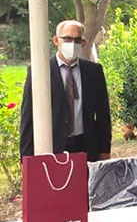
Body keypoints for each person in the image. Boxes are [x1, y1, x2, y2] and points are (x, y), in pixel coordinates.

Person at [20, 20, 112, 161]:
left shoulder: (93, 71)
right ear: (56, 40)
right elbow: (28, 116)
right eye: (67, 39)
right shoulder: (40, 71)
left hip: (86, 147)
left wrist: (104, 150)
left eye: (77, 40)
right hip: (52, 148)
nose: (72, 44)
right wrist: (26, 158)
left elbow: (103, 114)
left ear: (84, 43)